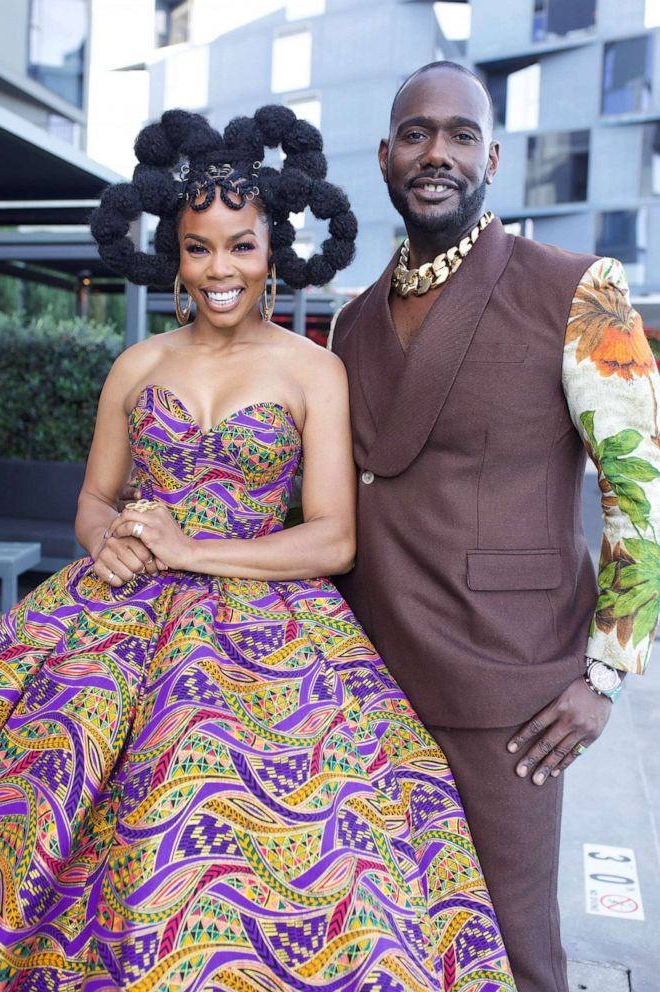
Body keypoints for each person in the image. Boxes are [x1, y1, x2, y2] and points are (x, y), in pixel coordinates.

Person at [0, 106, 515, 991]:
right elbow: (95, 500)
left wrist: (186, 549)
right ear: (175, 256)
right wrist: (106, 544)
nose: (220, 270)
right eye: (199, 247)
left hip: (272, 623)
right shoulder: (134, 366)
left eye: (241, 247)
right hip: (114, 614)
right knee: (30, 796)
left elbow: (333, 536)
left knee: (301, 833)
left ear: (271, 253)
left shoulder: (311, 368)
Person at [329, 61, 660, 992]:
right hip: (362, 683)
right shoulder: (352, 322)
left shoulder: (580, 288)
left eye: (460, 135)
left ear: (493, 158)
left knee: (514, 952)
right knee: (388, 944)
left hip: (507, 685)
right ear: (386, 154)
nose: (436, 153)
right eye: (416, 133)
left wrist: (606, 676)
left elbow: (642, 491)